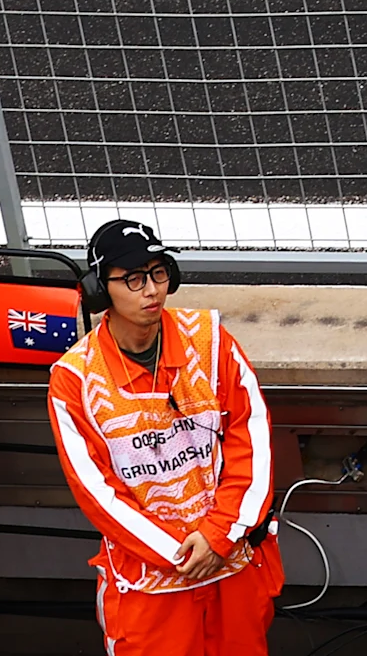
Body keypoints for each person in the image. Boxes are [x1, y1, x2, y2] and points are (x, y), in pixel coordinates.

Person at [48, 219, 281, 656]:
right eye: (133, 278)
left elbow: (253, 442)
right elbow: (97, 494)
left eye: (158, 273)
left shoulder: (212, 341)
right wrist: (183, 552)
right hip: (150, 586)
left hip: (232, 567)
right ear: (100, 290)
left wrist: (217, 536)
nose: (151, 290)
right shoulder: (73, 380)